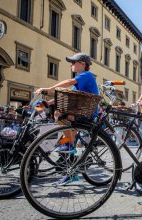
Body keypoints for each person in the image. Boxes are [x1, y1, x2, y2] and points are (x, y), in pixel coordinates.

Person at [35, 52, 99, 185]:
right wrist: (49, 103)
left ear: (82, 64)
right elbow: (67, 95)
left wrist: (49, 88)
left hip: (86, 113)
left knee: (59, 114)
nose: (71, 64)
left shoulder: (86, 75)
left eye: (73, 62)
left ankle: (69, 145)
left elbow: (68, 82)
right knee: (67, 144)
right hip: (78, 112)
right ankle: (71, 172)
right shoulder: (79, 82)